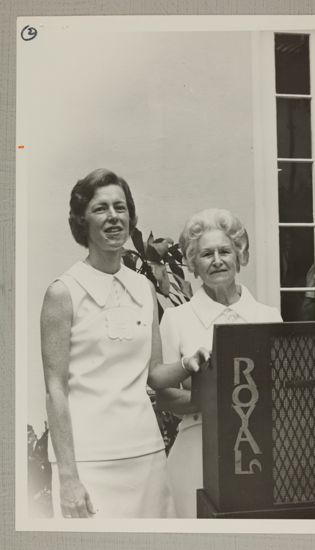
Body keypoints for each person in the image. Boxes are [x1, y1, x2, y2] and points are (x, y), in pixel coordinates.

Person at [41, 168, 209, 519]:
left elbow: (154, 374)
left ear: (131, 217)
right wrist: (69, 476)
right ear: (81, 220)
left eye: (121, 207)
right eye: (101, 208)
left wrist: (189, 363)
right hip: (90, 462)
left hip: (146, 454)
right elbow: (55, 388)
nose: (114, 216)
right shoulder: (64, 292)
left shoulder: (143, 288)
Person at [157, 208, 282, 517]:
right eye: (206, 254)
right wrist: (209, 402)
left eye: (225, 251)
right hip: (196, 450)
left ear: (239, 256)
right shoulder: (176, 319)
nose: (217, 260)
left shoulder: (268, 317)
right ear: (193, 266)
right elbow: (165, 395)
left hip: (260, 452)